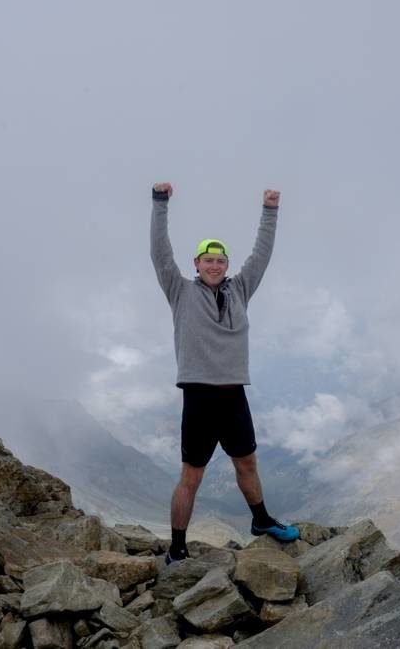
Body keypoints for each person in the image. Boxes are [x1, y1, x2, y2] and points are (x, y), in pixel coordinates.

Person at [150, 181, 300, 564]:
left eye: (220, 260)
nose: (214, 265)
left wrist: (270, 210)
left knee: (246, 463)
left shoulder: (240, 290)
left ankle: (261, 521)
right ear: (195, 264)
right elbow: (159, 251)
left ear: (227, 265)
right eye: (207, 260)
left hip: (234, 394)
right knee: (192, 476)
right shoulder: (180, 291)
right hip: (199, 397)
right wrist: (160, 203)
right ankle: (178, 548)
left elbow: (261, 254)